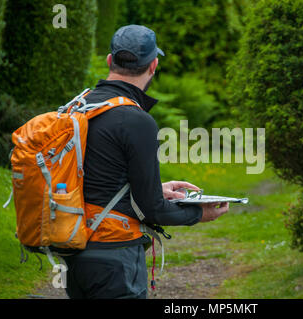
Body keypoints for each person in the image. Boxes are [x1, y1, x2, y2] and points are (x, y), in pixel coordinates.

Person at [63, 25, 229, 299]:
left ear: (109, 61)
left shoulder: (79, 106)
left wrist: (155, 187)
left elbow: (94, 180)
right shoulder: (136, 120)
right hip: (114, 255)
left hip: (74, 252)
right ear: (153, 65)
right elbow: (152, 209)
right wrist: (199, 214)